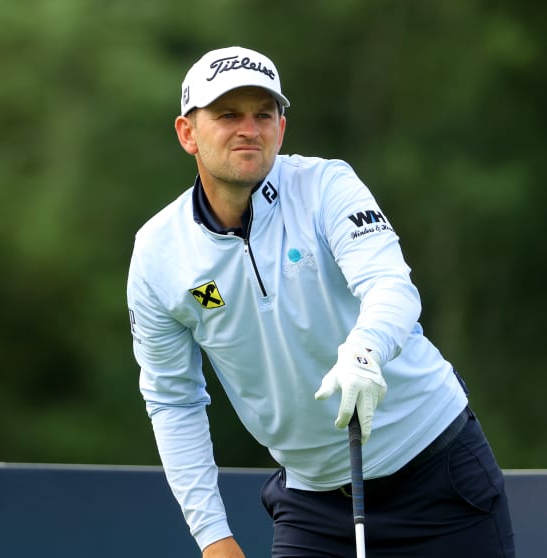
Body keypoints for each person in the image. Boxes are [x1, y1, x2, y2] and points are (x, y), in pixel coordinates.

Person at [126, 45, 515, 557]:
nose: (249, 128)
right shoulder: (159, 252)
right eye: (227, 115)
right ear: (187, 133)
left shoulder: (326, 186)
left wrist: (365, 349)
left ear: (281, 129)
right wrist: (212, 536)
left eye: (264, 114)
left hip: (439, 476)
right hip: (315, 507)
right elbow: (173, 399)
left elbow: (389, 285)